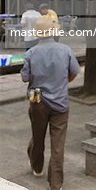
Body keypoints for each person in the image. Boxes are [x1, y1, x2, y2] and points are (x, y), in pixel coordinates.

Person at [20, 17, 81, 190]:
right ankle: (55, 184)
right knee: (58, 145)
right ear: (53, 32)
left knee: (37, 136)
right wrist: (62, 82)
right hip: (60, 102)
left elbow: (25, 77)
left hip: (37, 101)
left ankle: (37, 167)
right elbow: (74, 71)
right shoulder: (65, 50)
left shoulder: (31, 52)